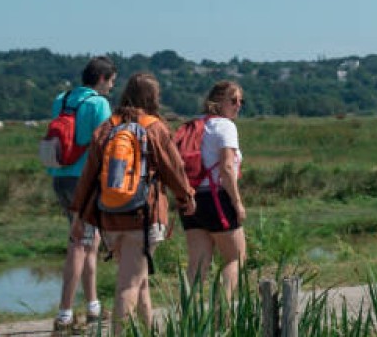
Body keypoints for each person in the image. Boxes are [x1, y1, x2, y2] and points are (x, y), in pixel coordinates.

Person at [70, 72, 195, 333]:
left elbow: (88, 176)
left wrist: (79, 216)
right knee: (128, 285)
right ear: (153, 97)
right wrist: (186, 197)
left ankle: (148, 331)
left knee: (140, 281)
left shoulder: (107, 127)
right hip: (143, 216)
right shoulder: (153, 126)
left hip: (110, 218)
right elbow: (174, 168)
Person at [49, 56, 115, 334]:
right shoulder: (98, 103)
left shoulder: (61, 100)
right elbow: (105, 144)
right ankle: (64, 314)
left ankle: (93, 306)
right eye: (111, 81)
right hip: (85, 181)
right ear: (101, 79)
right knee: (79, 243)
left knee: (90, 240)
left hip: (60, 177)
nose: (112, 86)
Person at [182, 81, 249, 298]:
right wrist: (237, 203)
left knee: (197, 265)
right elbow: (227, 167)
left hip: (191, 199)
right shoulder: (225, 126)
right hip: (217, 198)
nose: (238, 105)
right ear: (218, 101)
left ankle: (189, 322)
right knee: (235, 258)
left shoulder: (195, 125)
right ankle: (222, 318)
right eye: (233, 100)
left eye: (241, 101)